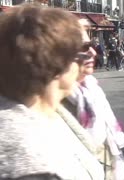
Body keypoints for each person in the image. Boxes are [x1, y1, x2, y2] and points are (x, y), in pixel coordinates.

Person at [0, 4, 104, 179]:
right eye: (82, 48)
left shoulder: (46, 112)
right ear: (56, 63)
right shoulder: (32, 165)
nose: (90, 54)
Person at [62, 19, 124, 180]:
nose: (93, 52)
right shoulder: (56, 99)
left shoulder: (90, 87)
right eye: (85, 47)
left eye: (92, 45)